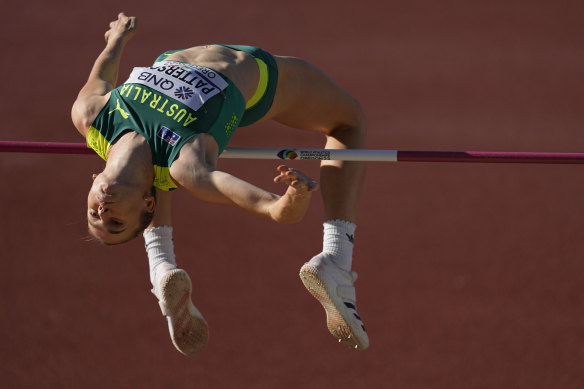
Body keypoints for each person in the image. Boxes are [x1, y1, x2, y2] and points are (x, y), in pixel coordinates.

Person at [71, 12, 368, 354]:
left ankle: (162, 267)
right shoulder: (187, 166)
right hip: (257, 79)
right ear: (147, 205)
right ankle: (337, 259)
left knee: (151, 167)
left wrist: (117, 39)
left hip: (172, 59)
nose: (103, 211)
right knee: (349, 121)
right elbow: (272, 209)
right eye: (116, 222)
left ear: (93, 182)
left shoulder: (90, 116)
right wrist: (293, 195)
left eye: (95, 216)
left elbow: (103, 74)